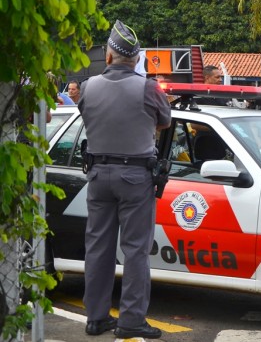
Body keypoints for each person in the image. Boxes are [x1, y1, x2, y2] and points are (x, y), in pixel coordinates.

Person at [79, 20, 171, 339]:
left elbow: (87, 114)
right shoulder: (148, 88)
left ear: (107, 56)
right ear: (136, 59)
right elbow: (164, 122)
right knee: (135, 250)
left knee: (98, 247)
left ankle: (95, 318)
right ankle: (131, 320)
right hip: (135, 176)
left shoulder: (88, 87)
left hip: (97, 175)